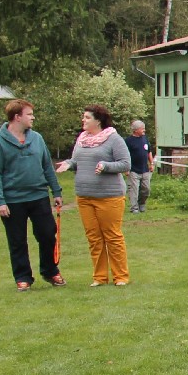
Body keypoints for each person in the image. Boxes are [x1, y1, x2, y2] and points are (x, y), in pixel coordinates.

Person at [0, 99, 63, 290]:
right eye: (29, 114)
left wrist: (56, 191)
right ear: (17, 117)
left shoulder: (37, 138)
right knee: (17, 240)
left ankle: (50, 271)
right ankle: (23, 277)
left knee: (48, 234)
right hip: (13, 200)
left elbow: (47, 166)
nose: (33, 117)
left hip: (39, 196)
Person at [60, 105, 132, 286]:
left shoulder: (113, 139)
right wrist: (68, 164)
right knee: (94, 238)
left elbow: (125, 164)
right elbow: (77, 161)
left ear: (98, 120)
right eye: (83, 117)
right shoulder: (82, 139)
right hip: (84, 196)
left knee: (112, 236)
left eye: (87, 117)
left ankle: (120, 277)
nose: (83, 120)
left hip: (109, 196)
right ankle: (99, 277)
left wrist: (106, 166)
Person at [122, 118, 153, 213]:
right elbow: (125, 155)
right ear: (136, 130)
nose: (144, 130)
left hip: (145, 169)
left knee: (146, 189)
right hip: (133, 170)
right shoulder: (128, 141)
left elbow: (149, 152)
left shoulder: (145, 138)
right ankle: (134, 208)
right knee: (133, 190)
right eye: (142, 128)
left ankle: (142, 203)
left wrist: (151, 163)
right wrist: (126, 169)